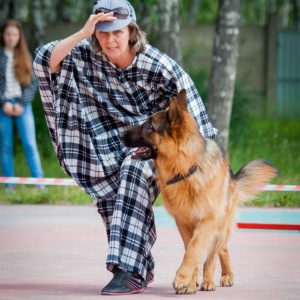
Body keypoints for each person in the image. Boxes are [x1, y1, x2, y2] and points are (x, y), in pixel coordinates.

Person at [33, 0, 217, 295]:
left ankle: (129, 270)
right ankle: (138, 268)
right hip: (108, 146)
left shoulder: (158, 66)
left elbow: (200, 128)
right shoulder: (85, 55)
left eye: (116, 31)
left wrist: (211, 178)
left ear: (131, 30)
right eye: (102, 33)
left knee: (132, 168)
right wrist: (83, 32)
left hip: (155, 149)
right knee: (110, 192)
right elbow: (44, 60)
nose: (109, 39)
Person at [0, 19, 44, 193]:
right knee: (6, 145)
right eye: (8, 34)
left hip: (22, 105)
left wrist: (21, 104)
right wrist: (4, 103)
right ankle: (9, 186)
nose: (11, 38)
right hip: (3, 107)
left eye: (15, 34)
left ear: (19, 37)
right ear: (3, 35)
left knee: (30, 144)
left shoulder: (25, 56)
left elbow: (32, 84)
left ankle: (41, 185)